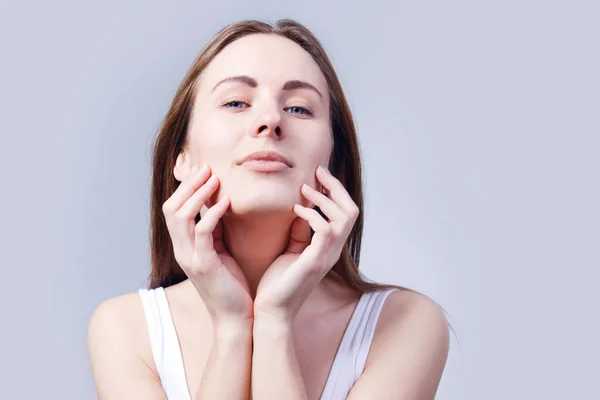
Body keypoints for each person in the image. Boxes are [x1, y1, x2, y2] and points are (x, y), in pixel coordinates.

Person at [87, 18, 450, 400]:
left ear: (334, 160)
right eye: (236, 102)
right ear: (182, 157)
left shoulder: (404, 324)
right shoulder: (126, 330)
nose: (270, 121)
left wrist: (274, 323)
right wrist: (232, 327)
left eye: (298, 109)